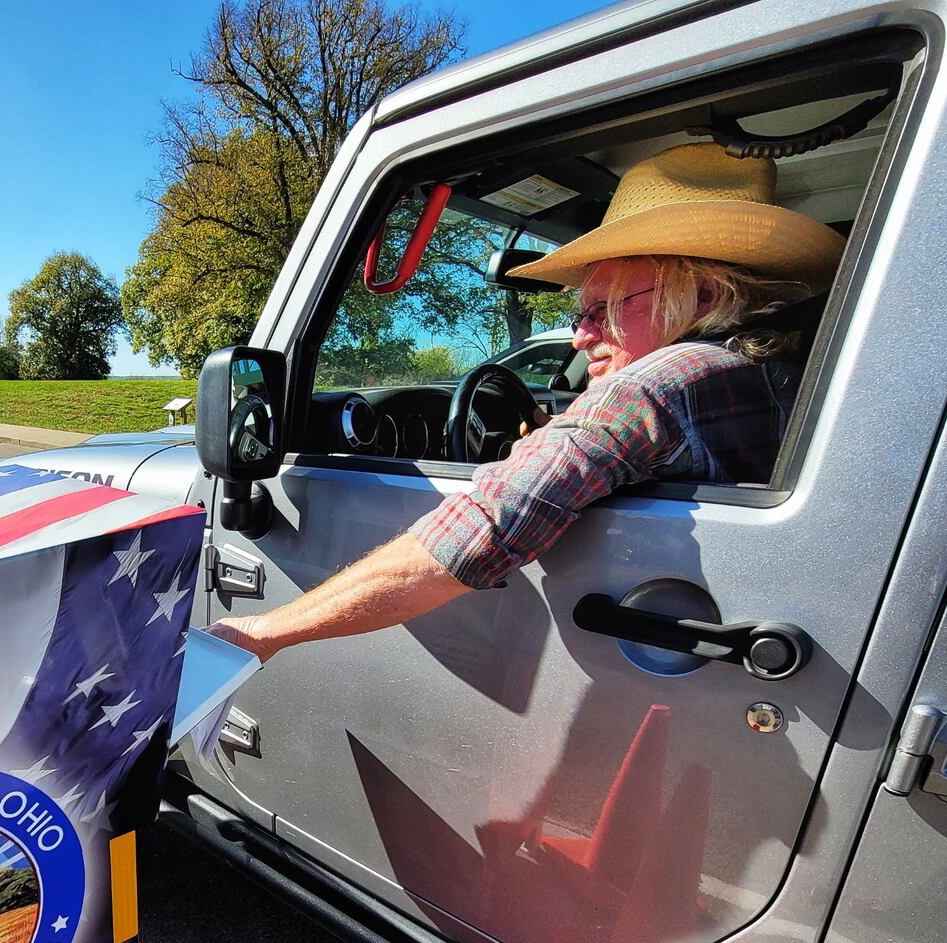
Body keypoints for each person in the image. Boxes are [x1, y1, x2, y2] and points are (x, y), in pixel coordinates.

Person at [209, 141, 844, 664]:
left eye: (602, 309)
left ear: (702, 295)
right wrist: (556, 434)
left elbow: (475, 535)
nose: (580, 334)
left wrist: (257, 636)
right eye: (578, 313)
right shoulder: (771, 368)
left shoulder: (655, 385)